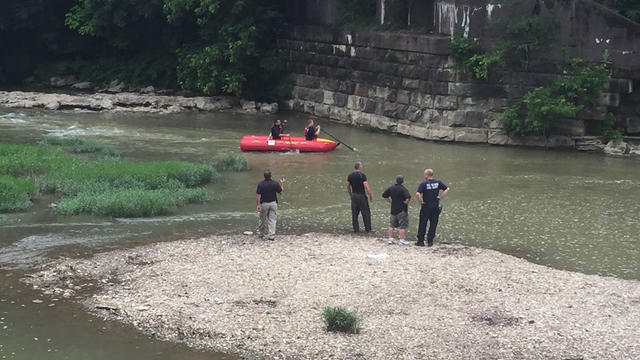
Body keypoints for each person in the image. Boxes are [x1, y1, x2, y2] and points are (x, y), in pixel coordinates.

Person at [415, 168, 449, 247]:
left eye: (424, 174)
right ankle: (430, 241)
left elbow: (417, 194)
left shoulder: (423, 183)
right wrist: (440, 196)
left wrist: (421, 202)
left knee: (423, 223)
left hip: (426, 206)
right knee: (433, 224)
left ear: (427, 175)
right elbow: (447, 189)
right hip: (435, 206)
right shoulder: (438, 182)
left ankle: (420, 241)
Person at [256, 169, 286, 240]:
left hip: (264, 204)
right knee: (272, 220)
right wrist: (282, 183)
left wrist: (258, 205)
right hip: (273, 203)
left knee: (262, 219)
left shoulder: (261, 184)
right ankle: (271, 235)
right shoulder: (275, 183)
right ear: (271, 176)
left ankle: (261, 234)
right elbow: (281, 192)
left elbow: (258, 195)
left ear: (264, 176)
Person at [382, 175, 411, 245]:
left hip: (393, 210)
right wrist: (406, 203)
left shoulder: (391, 188)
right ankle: (401, 240)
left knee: (391, 225)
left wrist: (390, 201)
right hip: (401, 210)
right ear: (403, 181)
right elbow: (408, 197)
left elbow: (384, 195)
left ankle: (390, 239)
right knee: (402, 226)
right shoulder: (403, 189)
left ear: (396, 180)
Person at [347, 162, 373, 233]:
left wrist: (350, 194)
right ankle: (368, 229)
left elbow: (348, 186)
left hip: (354, 195)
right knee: (365, 212)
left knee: (354, 213)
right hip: (361, 195)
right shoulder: (362, 175)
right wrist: (370, 194)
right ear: (360, 167)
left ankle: (356, 229)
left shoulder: (350, 175)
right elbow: (366, 186)